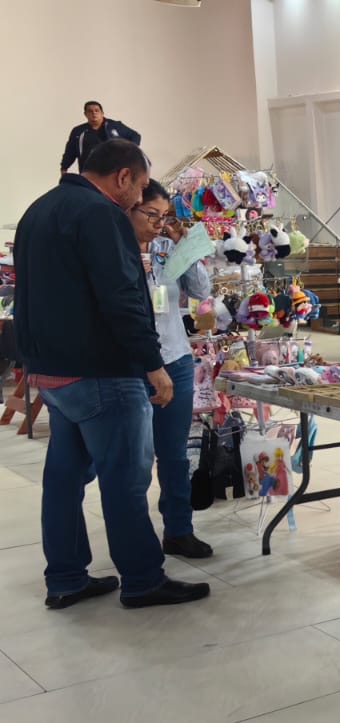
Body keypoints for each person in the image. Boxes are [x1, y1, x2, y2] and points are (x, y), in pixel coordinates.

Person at [14, 139, 211, 609]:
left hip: (51, 371)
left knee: (63, 480)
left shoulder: (38, 210)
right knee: (125, 479)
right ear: (123, 177)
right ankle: (142, 579)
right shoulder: (102, 215)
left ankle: (66, 578)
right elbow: (122, 297)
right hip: (102, 370)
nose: (139, 197)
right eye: (140, 187)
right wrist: (153, 364)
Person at [134, 182, 214, 559]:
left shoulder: (167, 247)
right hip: (135, 365)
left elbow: (201, 290)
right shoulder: (114, 249)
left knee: (175, 454)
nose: (158, 223)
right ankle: (135, 538)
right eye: (152, 214)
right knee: (136, 457)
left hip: (176, 358)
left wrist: (184, 244)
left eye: (164, 216)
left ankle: (179, 530)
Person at [60, 100, 141, 174]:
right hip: (89, 171)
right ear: (85, 114)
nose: (94, 113)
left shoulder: (115, 126)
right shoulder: (78, 131)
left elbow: (135, 136)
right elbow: (70, 151)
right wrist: (64, 168)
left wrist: (128, 153)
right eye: (90, 111)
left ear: (102, 113)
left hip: (113, 170)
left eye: (97, 111)